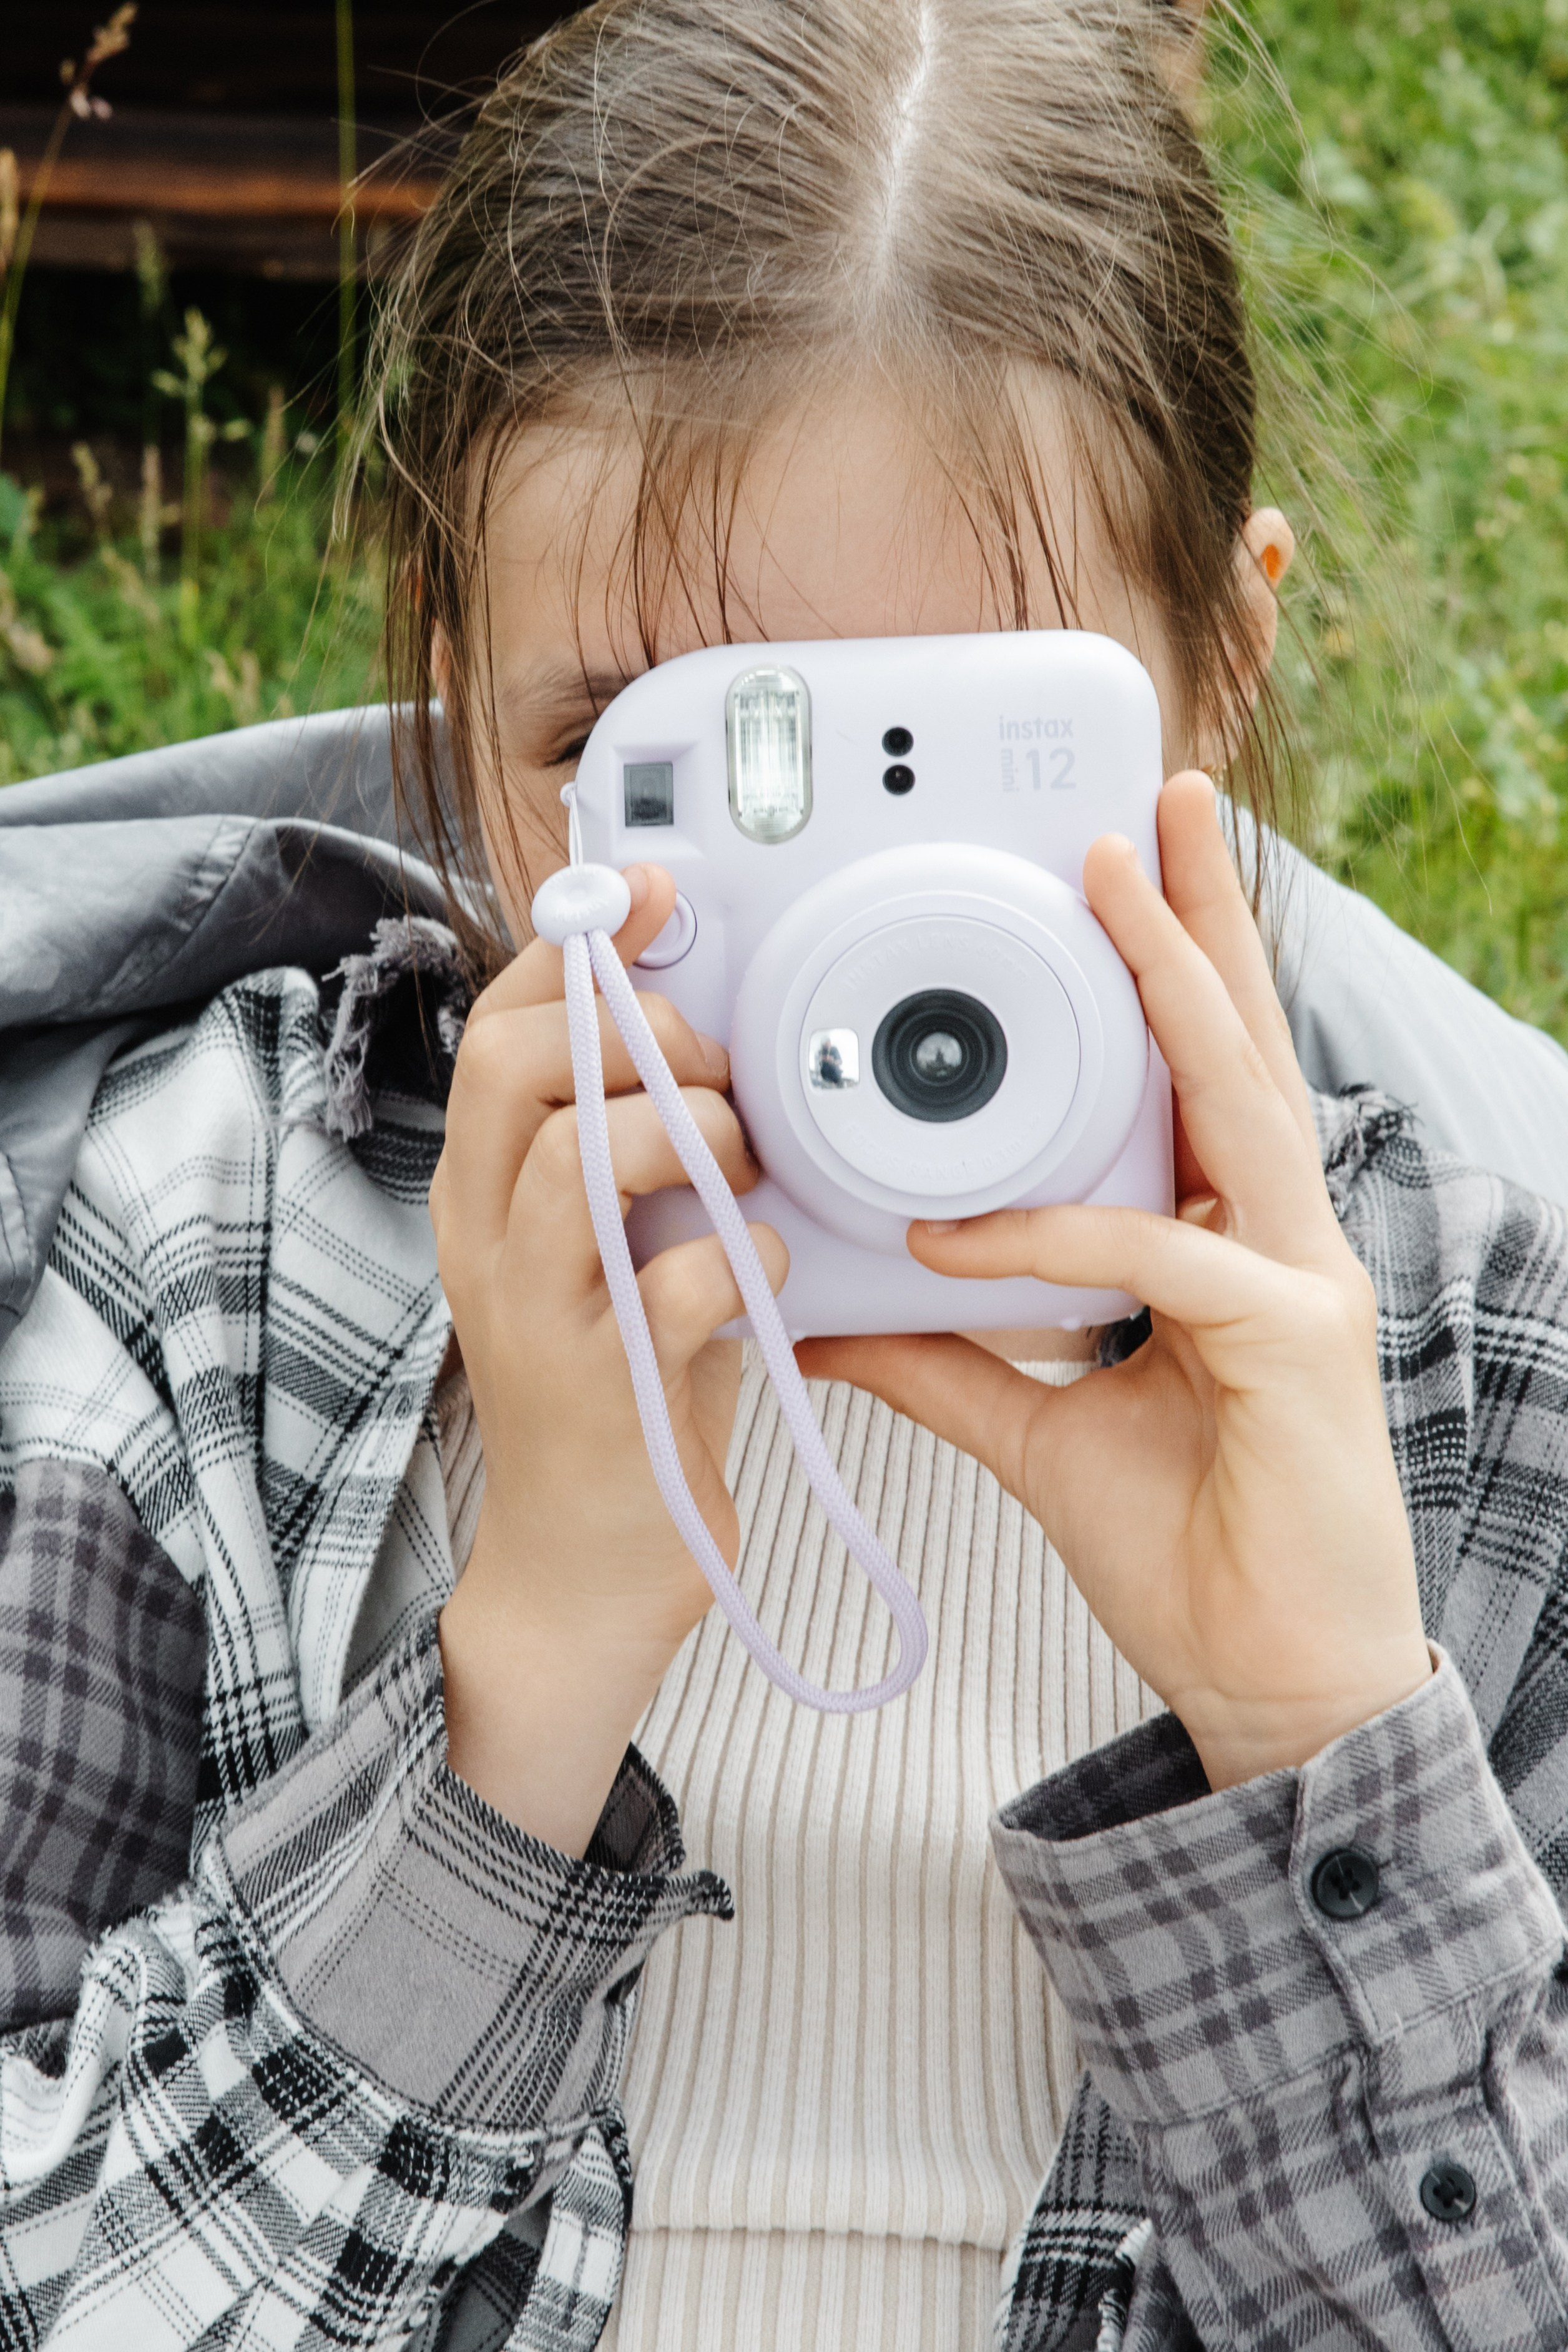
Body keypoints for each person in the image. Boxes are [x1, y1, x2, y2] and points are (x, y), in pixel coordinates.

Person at [4, 4, 1568, 2348]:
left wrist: (1320, 1722)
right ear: (454, 709)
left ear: (1212, 673)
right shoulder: (213, 1251)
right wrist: (515, 1689)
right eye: (649, 758)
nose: (849, 946)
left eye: (937, 765)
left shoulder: (1471, 1366)